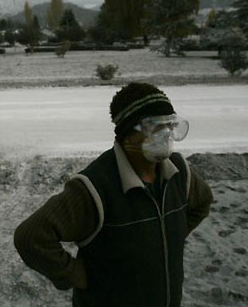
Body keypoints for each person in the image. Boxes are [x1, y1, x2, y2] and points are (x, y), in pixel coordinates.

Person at [14, 82, 213, 307]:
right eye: (155, 127)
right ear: (128, 135)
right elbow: (30, 237)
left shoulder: (179, 172)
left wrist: (166, 237)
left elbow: (202, 202)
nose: (166, 135)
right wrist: (75, 274)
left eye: (170, 125)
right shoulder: (95, 187)